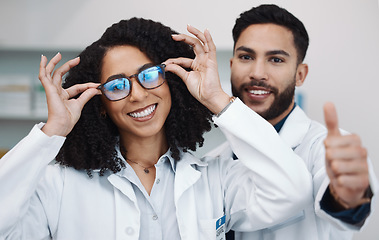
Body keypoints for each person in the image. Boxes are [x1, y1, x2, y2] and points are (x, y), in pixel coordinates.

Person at [0, 17, 314, 239]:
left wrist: (217, 99)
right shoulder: (59, 185)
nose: (137, 94)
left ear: (172, 83)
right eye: (117, 85)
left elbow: (292, 192)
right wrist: (52, 131)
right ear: (102, 105)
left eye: (149, 75)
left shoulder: (215, 180)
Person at [202, 4, 377, 240]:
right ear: (231, 66)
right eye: (246, 57)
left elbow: (346, 209)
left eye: (275, 59)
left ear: (300, 74)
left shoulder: (325, 149)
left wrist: (350, 196)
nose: (257, 72)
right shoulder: (213, 161)